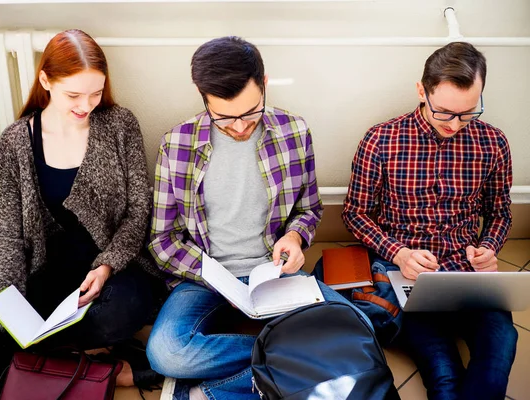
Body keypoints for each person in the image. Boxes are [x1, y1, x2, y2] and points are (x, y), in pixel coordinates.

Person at [146, 36, 369, 400]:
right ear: (204, 99)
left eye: (250, 113)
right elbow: (162, 240)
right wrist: (218, 280)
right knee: (168, 352)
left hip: (275, 273)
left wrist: (295, 238)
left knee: (359, 329)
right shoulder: (177, 144)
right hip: (204, 277)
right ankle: (294, 359)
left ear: (265, 85)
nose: (238, 126)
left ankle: (208, 394)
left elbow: (309, 210)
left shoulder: (294, 132)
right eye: (224, 117)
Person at [0, 29, 162, 388]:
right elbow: (7, 230)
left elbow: (138, 212)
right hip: (46, 268)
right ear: (45, 80)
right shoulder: (16, 141)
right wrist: (11, 297)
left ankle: (40, 357)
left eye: (95, 92)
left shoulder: (121, 125)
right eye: (73, 94)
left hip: (111, 267)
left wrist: (107, 266)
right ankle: (92, 366)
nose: (85, 105)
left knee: (120, 313)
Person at [342, 42, 517, 400]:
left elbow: (500, 212)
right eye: (445, 113)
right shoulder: (381, 140)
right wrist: (400, 252)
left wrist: (489, 248)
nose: (456, 125)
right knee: (443, 374)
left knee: (499, 350)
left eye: (469, 113)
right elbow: (354, 214)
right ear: (422, 91)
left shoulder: (493, 143)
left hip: (468, 275)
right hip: (408, 278)